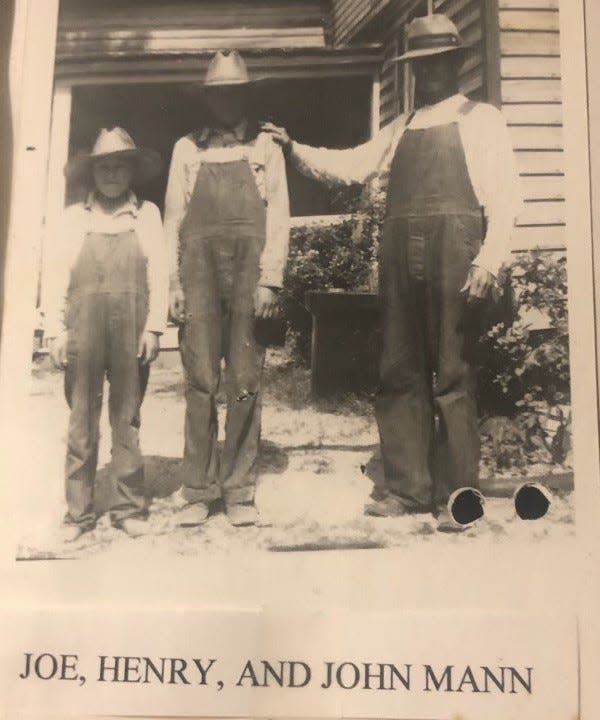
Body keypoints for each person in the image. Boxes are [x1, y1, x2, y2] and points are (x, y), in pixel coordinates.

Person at [263, 14, 520, 530]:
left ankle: (457, 495)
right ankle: (407, 486)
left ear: (454, 63)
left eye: (436, 64)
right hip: (400, 256)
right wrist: (293, 149)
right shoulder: (401, 126)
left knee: (453, 371)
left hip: (457, 254)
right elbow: (352, 165)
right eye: (419, 66)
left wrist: (489, 259)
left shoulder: (480, 118)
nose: (428, 75)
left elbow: (508, 198)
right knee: (398, 370)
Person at [164, 50, 290, 527]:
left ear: (245, 96)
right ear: (208, 98)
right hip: (197, 273)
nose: (226, 101)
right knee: (200, 378)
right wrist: (173, 281)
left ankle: (238, 489)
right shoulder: (185, 149)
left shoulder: (265, 149)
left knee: (244, 379)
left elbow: (278, 216)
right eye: (218, 94)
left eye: (234, 93)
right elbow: (174, 218)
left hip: (249, 273)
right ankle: (197, 488)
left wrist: (271, 280)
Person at [45, 127, 168, 541]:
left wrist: (154, 328)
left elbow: (160, 272)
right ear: (92, 173)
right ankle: (78, 514)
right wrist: (55, 330)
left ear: (132, 172)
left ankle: (128, 507)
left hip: (131, 326)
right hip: (84, 325)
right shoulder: (74, 217)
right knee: (81, 417)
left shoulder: (147, 214)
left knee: (126, 417)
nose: (112, 174)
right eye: (104, 167)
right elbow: (56, 273)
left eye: (120, 166)